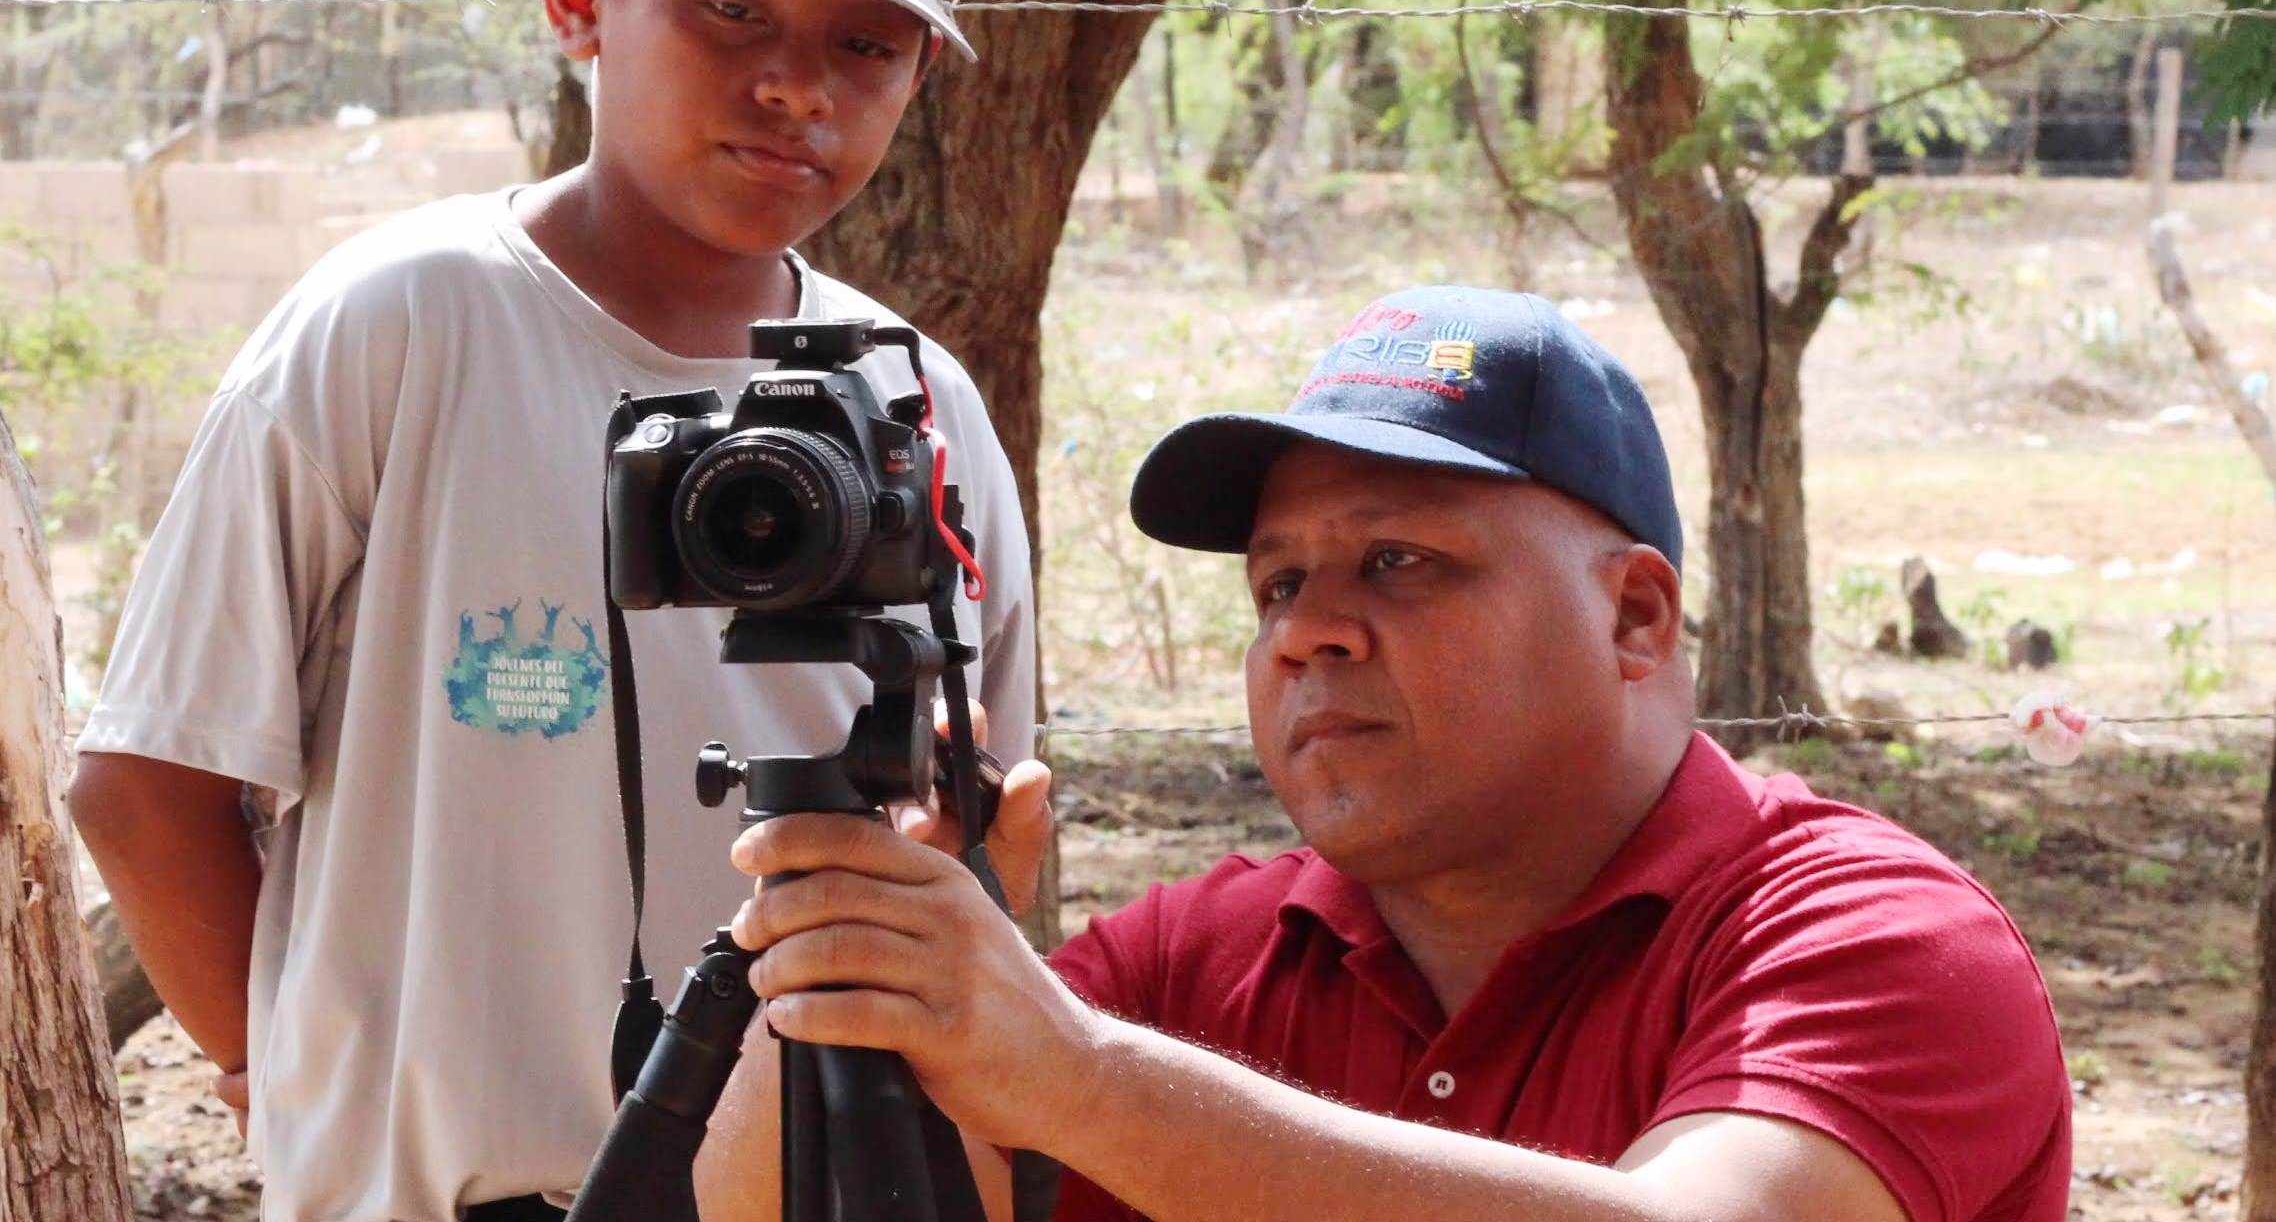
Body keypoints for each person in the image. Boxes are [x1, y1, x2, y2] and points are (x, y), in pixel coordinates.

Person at [65, 0, 1037, 1222]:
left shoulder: (918, 402)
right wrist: (299, 1092)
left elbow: (988, 849)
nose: (796, 87)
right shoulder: (403, 323)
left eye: (868, 42)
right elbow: (147, 785)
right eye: (731, 11)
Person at [723, 285, 2074, 1222]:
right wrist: (858, 961)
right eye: (1275, 588)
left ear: (1637, 616)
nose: (1310, 633)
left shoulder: (1869, 940)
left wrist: (1084, 1079)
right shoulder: (1197, 962)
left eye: (1398, 562)